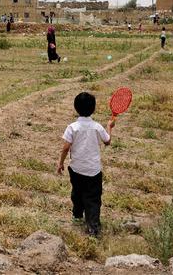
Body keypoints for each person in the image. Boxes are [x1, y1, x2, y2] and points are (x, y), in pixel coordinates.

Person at [57, 92, 115, 237]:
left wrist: (60, 163)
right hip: (93, 171)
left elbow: (65, 147)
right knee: (93, 198)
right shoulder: (97, 127)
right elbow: (107, 141)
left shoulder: (72, 127)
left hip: (76, 169)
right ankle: (93, 226)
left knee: (77, 193)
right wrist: (109, 126)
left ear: (76, 108)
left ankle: (77, 216)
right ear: (93, 109)